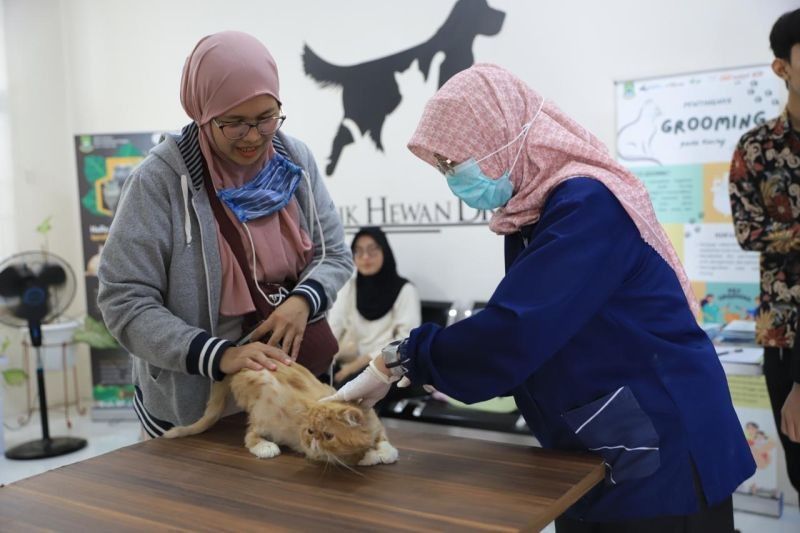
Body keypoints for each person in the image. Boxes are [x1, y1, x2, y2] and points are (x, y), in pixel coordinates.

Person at [324, 64, 755, 532]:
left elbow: (518, 329)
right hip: (604, 433)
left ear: (504, 137)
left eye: (457, 163)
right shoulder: (530, 214)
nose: (453, 178)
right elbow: (536, 333)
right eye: (445, 167)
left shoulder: (589, 206)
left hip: (664, 440)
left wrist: (402, 360)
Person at [97, 31, 353, 438]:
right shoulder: (160, 182)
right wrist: (220, 355)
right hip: (197, 408)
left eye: (266, 117)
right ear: (202, 112)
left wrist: (303, 301)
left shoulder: (293, 160)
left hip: (292, 393)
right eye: (233, 122)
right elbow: (124, 300)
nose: (253, 136)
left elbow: (334, 255)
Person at [729, 6, 800, 502]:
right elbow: (748, 232)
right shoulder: (757, 148)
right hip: (783, 334)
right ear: (783, 68)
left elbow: (770, 232)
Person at [328, 227, 421, 386]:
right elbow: (334, 328)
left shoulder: (405, 290)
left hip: (387, 368)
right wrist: (326, 360)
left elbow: (405, 340)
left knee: (345, 392)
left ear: (385, 251)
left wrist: (355, 367)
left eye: (372, 251)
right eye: (358, 251)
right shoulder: (349, 287)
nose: (365, 257)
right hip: (347, 362)